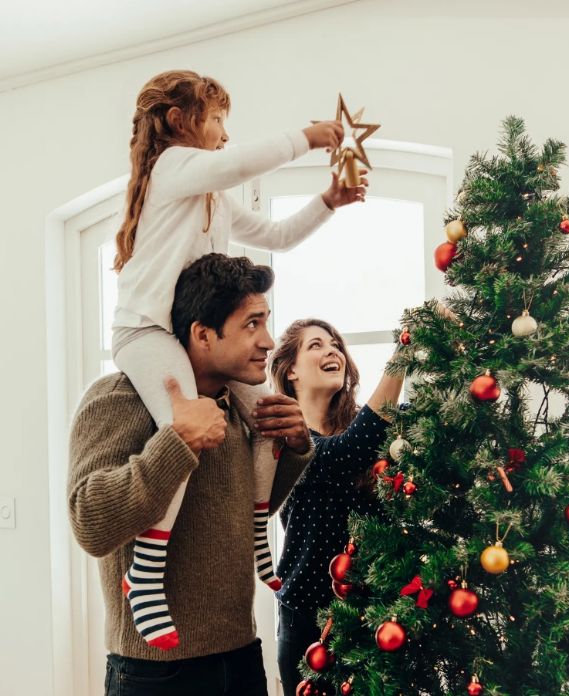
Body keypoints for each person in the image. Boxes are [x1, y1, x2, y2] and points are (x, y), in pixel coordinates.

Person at [110, 69, 368, 650]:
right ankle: (146, 569)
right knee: (190, 426)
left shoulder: (214, 199)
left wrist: (328, 200)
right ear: (181, 122)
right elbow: (234, 163)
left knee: (269, 417)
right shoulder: (171, 168)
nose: (226, 134)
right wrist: (308, 137)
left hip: (185, 335)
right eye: (218, 119)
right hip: (146, 332)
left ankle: (258, 537)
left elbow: (276, 235)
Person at [69, 253, 314, 696]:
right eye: (252, 324)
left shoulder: (237, 405)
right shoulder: (118, 396)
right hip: (155, 672)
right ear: (202, 333)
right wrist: (177, 443)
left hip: (241, 655)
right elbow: (90, 522)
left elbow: (236, 512)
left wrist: (295, 447)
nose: (269, 340)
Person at [268, 319, 405, 694]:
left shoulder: (374, 432)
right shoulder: (284, 437)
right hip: (309, 620)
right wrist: (405, 349)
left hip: (378, 612)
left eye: (335, 345)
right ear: (290, 369)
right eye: (316, 345)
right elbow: (342, 454)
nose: (332, 351)